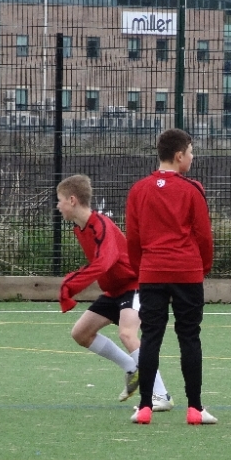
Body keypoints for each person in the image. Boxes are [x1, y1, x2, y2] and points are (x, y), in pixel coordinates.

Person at [56, 174, 172, 411]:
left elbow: (104, 262)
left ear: (72, 200)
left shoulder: (101, 225)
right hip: (115, 291)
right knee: (81, 333)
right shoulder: (81, 228)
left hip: (135, 284)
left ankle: (162, 395)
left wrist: (71, 284)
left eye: (60, 200)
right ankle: (132, 368)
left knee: (127, 334)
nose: (58, 206)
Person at [125, 128, 216, 426]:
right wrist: (202, 267)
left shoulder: (139, 190)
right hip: (187, 272)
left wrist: (142, 268)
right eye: (190, 152)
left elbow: (133, 238)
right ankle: (195, 409)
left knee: (151, 336)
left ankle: (145, 407)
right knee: (189, 336)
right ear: (179, 156)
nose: (192, 157)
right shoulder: (192, 190)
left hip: (152, 272)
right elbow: (204, 235)